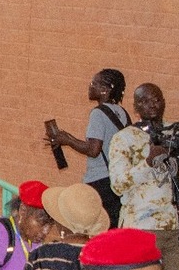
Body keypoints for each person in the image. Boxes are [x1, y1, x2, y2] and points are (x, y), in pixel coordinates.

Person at [107, 83, 179, 270]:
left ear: (164, 102)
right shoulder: (123, 139)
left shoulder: (178, 134)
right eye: (144, 101)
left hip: (176, 226)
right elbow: (117, 185)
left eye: (157, 99)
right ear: (135, 106)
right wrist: (148, 162)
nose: (152, 105)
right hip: (141, 228)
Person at [46, 69, 131, 228]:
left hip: (100, 181)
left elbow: (94, 150)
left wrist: (68, 140)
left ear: (104, 90)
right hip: (118, 179)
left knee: (96, 227)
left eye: (94, 83)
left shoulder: (97, 114)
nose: (90, 86)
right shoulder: (123, 112)